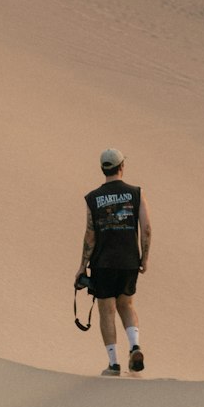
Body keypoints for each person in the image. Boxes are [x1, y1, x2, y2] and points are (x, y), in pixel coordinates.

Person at [76, 148, 151, 376]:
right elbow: (146, 229)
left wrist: (82, 266)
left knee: (106, 311)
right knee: (127, 305)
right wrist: (144, 258)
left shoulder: (93, 198)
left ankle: (114, 363)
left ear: (102, 169)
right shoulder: (136, 193)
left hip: (103, 262)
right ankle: (135, 346)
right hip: (129, 260)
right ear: (122, 167)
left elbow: (90, 234)